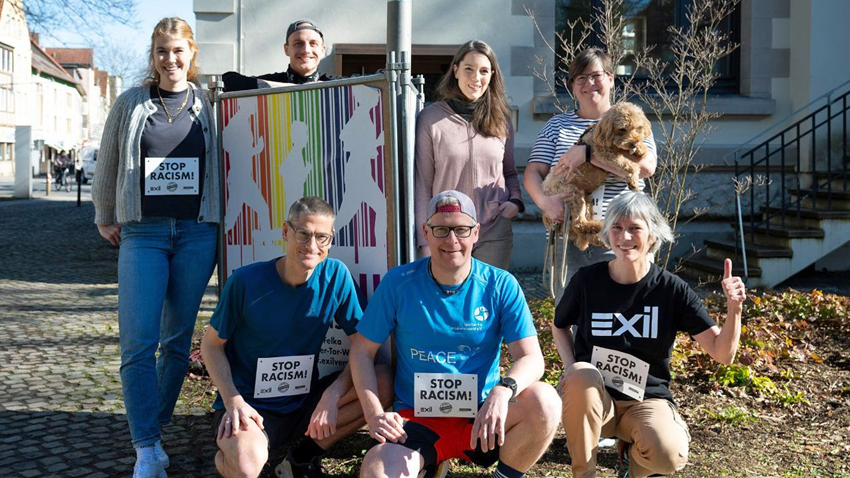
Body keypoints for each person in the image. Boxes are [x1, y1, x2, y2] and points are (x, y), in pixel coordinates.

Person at [350, 190, 560, 478]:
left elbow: (532, 359)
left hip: (482, 417)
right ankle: (431, 461)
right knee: (377, 473)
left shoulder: (501, 284)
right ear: (426, 232)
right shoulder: (398, 282)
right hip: (416, 420)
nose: (451, 240)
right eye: (441, 229)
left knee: (545, 401)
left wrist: (502, 391)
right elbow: (362, 351)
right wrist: (374, 414)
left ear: (476, 233)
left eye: (461, 230)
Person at [91, 17, 220, 478]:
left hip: (197, 233)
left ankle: (156, 427)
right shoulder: (131, 102)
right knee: (138, 343)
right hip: (143, 234)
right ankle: (146, 447)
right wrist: (104, 214)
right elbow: (108, 159)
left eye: (178, 50)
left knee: (177, 341)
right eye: (162, 51)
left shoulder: (209, 104)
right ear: (153, 55)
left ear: (191, 53)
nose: (170, 59)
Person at [551, 192, 747, 478]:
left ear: (653, 234)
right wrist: (571, 371)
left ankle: (631, 461)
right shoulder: (586, 281)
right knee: (580, 375)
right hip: (596, 399)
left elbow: (723, 353)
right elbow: (559, 325)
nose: (624, 237)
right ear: (606, 233)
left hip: (645, 401)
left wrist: (734, 308)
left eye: (635, 228)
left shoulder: (672, 289)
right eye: (617, 227)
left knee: (669, 454)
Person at [201, 196, 393, 478]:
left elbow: (362, 346)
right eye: (303, 234)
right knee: (245, 467)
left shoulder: (336, 276)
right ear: (285, 231)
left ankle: (301, 457)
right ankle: (229, 456)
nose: (312, 246)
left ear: (331, 238)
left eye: (322, 237)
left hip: (304, 403)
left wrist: (333, 393)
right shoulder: (245, 282)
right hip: (251, 406)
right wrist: (233, 400)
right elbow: (211, 346)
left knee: (384, 380)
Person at [523, 48, 657, 298]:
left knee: (623, 307)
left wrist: (587, 155)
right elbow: (533, 172)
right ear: (572, 85)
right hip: (567, 233)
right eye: (581, 78)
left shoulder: (631, 120)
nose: (589, 84)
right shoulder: (557, 126)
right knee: (570, 307)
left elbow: (647, 168)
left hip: (623, 236)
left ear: (611, 79)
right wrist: (546, 203)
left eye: (596, 75)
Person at [414, 40, 523, 270]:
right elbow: (423, 184)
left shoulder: (501, 119)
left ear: (492, 75)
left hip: (494, 231)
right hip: (446, 231)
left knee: (489, 292)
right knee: (448, 292)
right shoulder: (430, 119)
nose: (476, 78)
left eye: (484, 71)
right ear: (455, 70)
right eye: (469, 69)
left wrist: (515, 201)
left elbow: (510, 173)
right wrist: (426, 241)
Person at [223, 19, 333, 92]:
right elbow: (227, 81)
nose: (306, 50)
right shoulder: (273, 82)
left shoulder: (335, 84)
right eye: (298, 44)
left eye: (313, 44)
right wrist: (292, 89)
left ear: (323, 50)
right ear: (286, 49)